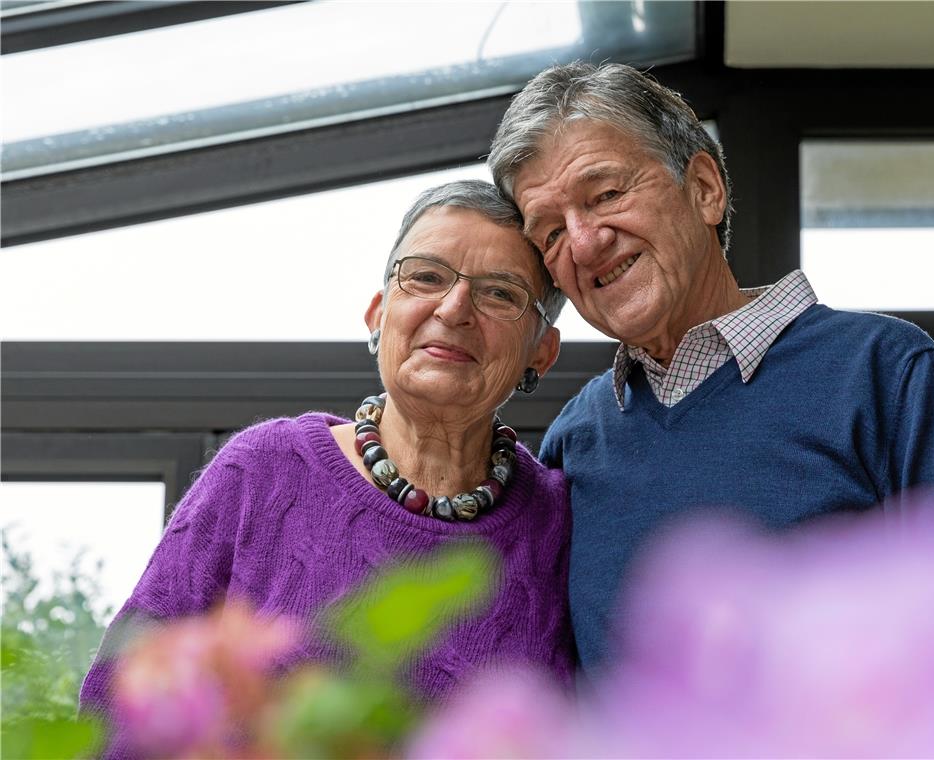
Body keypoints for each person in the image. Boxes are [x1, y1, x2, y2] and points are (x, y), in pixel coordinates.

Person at [488, 62, 934, 675]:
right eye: (550, 233)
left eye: (605, 194)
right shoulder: (574, 441)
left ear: (706, 188)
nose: (581, 243)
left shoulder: (883, 373)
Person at [80, 180, 572, 753]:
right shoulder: (262, 472)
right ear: (378, 313)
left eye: (500, 294)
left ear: (542, 351)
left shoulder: (564, 522)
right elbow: (119, 702)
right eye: (427, 276)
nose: (454, 308)